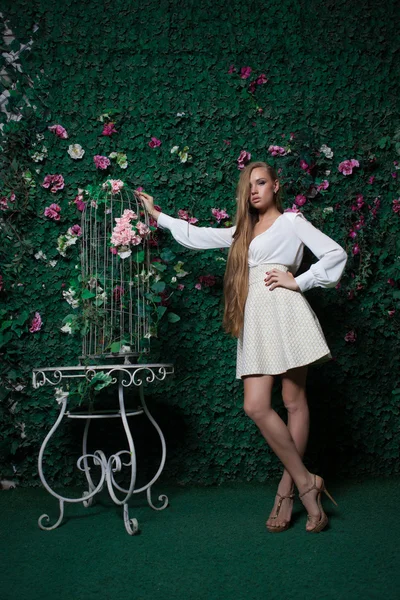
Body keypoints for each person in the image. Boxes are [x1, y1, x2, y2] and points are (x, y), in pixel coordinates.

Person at [134, 160, 347, 534]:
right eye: (249, 185)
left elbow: (335, 254)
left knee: (294, 402)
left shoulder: (292, 222)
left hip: (286, 311)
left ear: (275, 186)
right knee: (256, 405)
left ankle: (286, 492)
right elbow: (198, 235)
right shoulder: (243, 230)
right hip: (257, 319)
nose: (254, 191)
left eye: (261, 183)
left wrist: (299, 280)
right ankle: (306, 481)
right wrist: (157, 215)